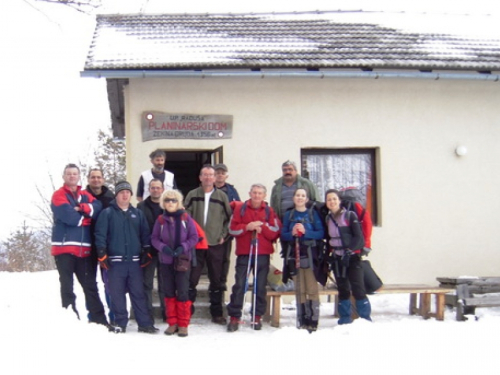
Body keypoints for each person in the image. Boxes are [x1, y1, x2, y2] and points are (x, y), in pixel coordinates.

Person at [95, 181, 158, 334]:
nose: (125, 195)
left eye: (127, 192)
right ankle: (120, 322)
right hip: (115, 263)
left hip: (135, 262)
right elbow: (100, 235)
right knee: (117, 294)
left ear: (131, 195)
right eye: (122, 192)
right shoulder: (107, 213)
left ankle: (144, 323)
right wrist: (102, 253)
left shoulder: (137, 213)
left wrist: (146, 251)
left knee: (138, 293)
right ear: (116, 194)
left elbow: (145, 234)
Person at [50, 163, 108, 326]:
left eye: (75, 174)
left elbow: (98, 208)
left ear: (79, 176)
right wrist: (86, 218)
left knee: (90, 287)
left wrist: (82, 208)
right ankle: (70, 321)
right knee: (67, 287)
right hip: (64, 249)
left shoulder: (85, 195)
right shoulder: (58, 195)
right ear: (64, 176)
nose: (72, 176)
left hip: (84, 251)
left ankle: (100, 321)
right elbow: (68, 216)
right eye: (69, 174)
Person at [227, 183, 281, 332]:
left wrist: (262, 226)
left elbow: (275, 232)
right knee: (240, 284)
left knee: (260, 285)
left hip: (262, 253)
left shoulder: (269, 211)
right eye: (254, 192)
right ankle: (234, 316)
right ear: (250, 193)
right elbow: (232, 229)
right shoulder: (240, 209)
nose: (257, 195)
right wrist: (247, 227)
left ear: (264, 195)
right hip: (245, 252)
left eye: (260, 193)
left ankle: (257, 316)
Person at [184, 165, 232, 325]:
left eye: (211, 175)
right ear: (200, 177)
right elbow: (185, 216)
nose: (208, 178)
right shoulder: (192, 194)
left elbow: (228, 219)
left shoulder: (222, 196)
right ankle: (187, 311)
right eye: (205, 175)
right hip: (196, 244)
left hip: (214, 243)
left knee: (216, 279)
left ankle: (217, 313)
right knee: (192, 279)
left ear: (215, 178)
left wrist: (223, 235)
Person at [151, 189, 199, 337]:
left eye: (173, 200)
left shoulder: (186, 218)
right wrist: (163, 247)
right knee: (169, 292)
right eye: (167, 200)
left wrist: (182, 247)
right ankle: (172, 323)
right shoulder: (160, 220)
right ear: (163, 203)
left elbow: (194, 237)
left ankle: (183, 324)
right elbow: (154, 238)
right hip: (166, 261)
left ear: (179, 203)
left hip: (182, 260)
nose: (170, 203)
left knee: (183, 292)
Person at [324, 189, 371, 324]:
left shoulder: (349, 216)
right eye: (329, 199)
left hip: (352, 257)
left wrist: (349, 251)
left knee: (358, 288)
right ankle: (344, 319)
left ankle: (365, 319)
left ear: (339, 200)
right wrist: (328, 255)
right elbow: (329, 239)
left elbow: (359, 238)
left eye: (334, 199)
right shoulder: (328, 218)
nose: (332, 202)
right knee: (342, 288)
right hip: (338, 258)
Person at [281, 188, 324, 332]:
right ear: (293, 198)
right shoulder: (289, 214)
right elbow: (283, 234)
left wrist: (306, 232)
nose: (300, 198)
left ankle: (313, 320)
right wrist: (291, 233)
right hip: (294, 254)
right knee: (300, 288)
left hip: (310, 255)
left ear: (306, 199)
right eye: (297, 195)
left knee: (311, 288)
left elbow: (321, 233)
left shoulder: (312, 214)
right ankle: (302, 318)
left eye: (303, 196)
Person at [84, 167, 115, 324]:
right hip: (86, 245)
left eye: (98, 177)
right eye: (93, 177)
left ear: (103, 179)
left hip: (106, 247)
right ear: (88, 179)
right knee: (89, 283)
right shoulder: (82, 197)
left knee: (109, 283)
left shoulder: (111, 198)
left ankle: (114, 316)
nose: (96, 180)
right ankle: (94, 316)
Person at [137, 178, 165, 323]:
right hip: (147, 251)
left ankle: (166, 312)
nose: (155, 190)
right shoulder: (141, 206)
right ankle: (147, 312)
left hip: (165, 251)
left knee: (164, 284)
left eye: (158, 187)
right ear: (149, 189)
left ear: (162, 189)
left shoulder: (168, 205)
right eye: (153, 188)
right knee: (146, 283)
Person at [214, 163, 241, 291]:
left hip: (227, 230)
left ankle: (222, 282)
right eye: (217, 172)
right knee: (212, 258)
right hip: (210, 229)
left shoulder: (232, 191)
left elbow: (239, 208)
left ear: (226, 175)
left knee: (225, 257)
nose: (220, 175)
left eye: (222, 173)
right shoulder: (207, 189)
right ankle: (213, 281)